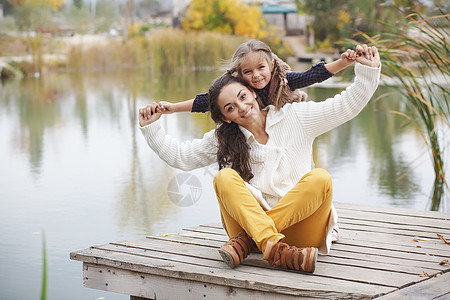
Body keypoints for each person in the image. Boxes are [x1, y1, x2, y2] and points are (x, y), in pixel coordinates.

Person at [138, 45, 381, 273]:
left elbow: (346, 105)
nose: (241, 107)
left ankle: (252, 241)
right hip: (252, 224)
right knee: (224, 178)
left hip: (301, 230)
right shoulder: (224, 138)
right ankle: (277, 249)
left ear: (253, 93)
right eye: (230, 108)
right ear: (226, 118)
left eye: (243, 97)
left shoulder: (296, 117)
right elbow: (182, 157)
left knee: (320, 178)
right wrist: (152, 128)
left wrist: (368, 70)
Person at [155, 39, 356, 114]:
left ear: (272, 64)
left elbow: (313, 75)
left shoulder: (285, 81)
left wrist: (343, 62)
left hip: (288, 126)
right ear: (240, 74)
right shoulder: (239, 89)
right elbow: (208, 101)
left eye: (261, 67)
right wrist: (173, 108)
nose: (256, 76)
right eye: (248, 72)